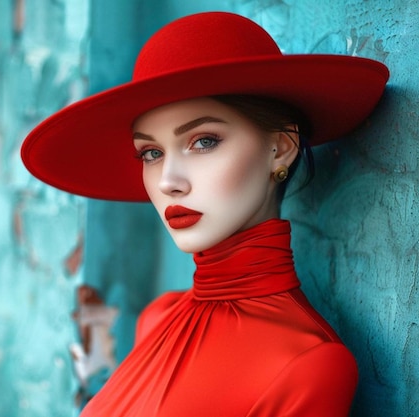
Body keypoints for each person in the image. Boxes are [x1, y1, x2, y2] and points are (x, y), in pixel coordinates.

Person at [21, 11, 388, 417]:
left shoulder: (310, 365)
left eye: (204, 141)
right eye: (152, 153)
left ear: (281, 148)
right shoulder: (157, 317)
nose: (168, 181)